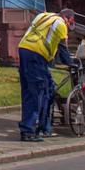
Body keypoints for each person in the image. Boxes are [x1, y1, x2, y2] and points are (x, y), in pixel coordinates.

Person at [17, 8, 78, 141]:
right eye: (70, 25)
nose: (68, 29)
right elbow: (63, 51)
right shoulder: (61, 24)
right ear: (69, 19)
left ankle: (44, 128)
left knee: (44, 90)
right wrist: (72, 63)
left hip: (24, 50)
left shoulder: (43, 16)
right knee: (38, 93)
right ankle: (29, 131)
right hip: (37, 55)